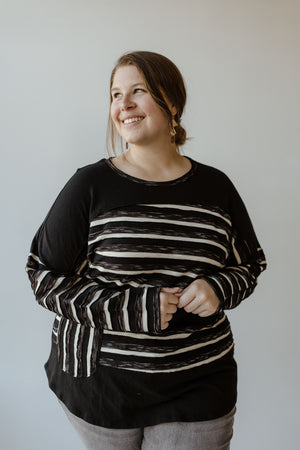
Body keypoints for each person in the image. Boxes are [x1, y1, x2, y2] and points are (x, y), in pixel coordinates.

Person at [26, 51, 267, 450]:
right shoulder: (89, 185)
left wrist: (220, 287)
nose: (123, 105)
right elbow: (42, 276)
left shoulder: (216, 188)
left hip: (198, 381)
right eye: (116, 94)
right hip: (101, 386)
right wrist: (135, 307)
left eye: (138, 90)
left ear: (172, 103)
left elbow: (249, 263)